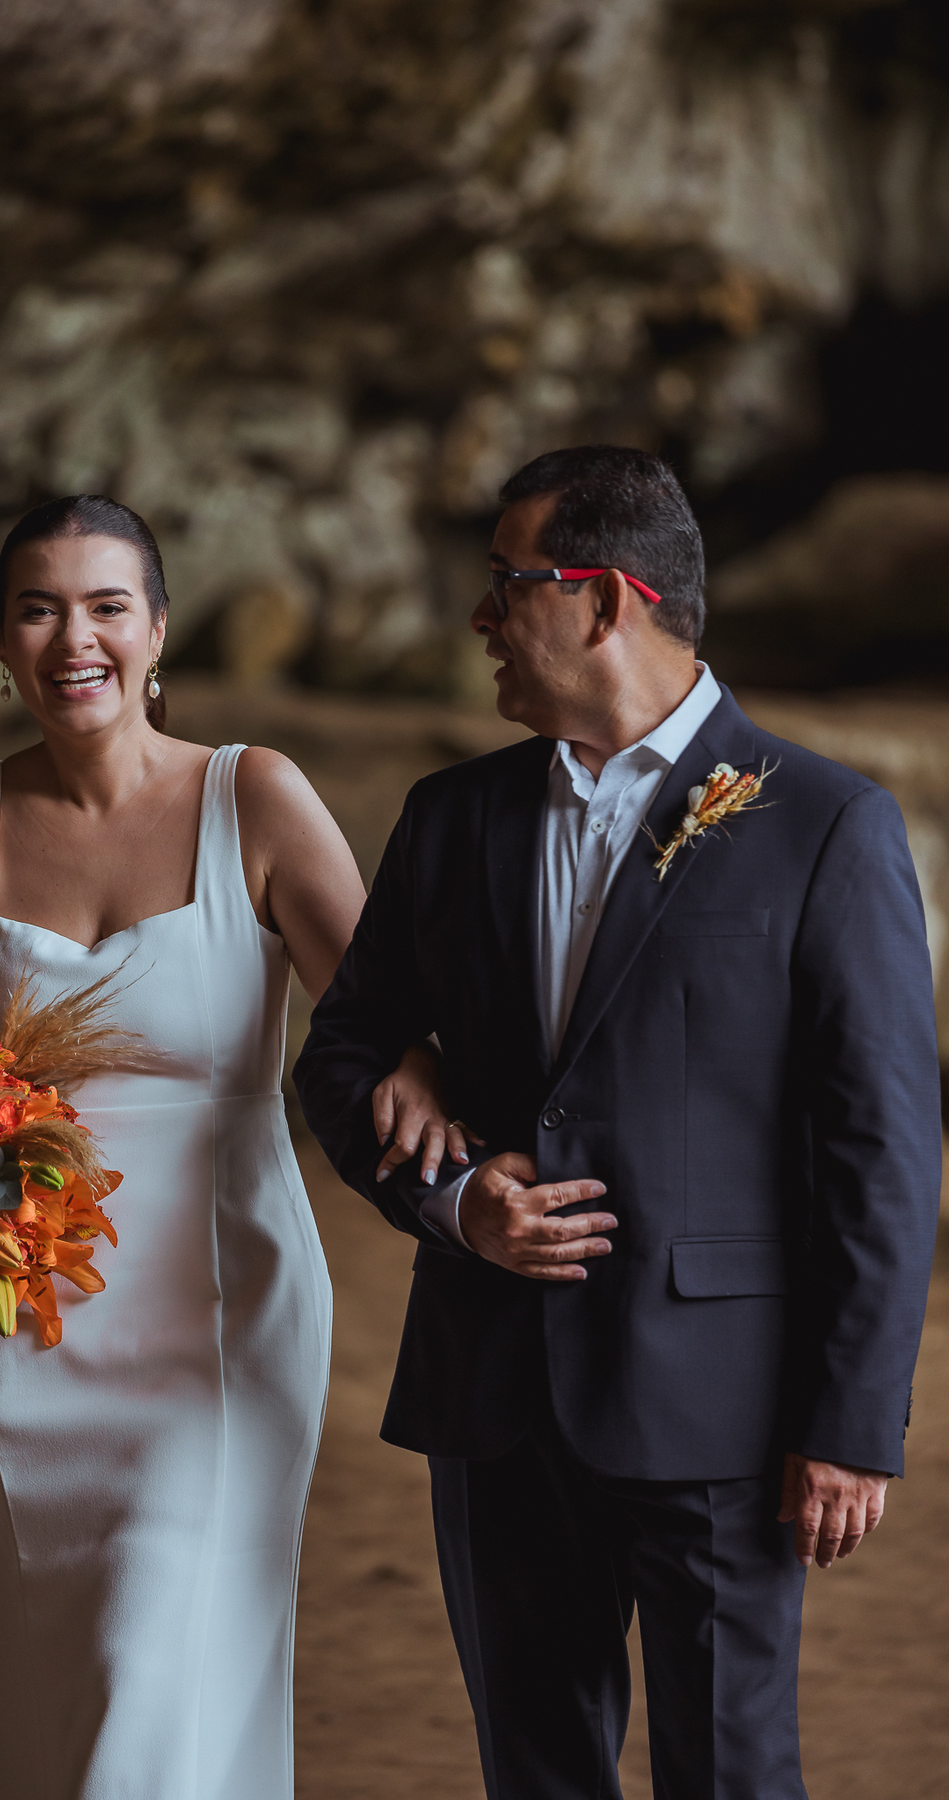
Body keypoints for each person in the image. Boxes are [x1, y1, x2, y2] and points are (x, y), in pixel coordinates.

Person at [294, 445, 942, 1800]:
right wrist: (454, 1202)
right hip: (494, 1389)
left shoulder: (828, 824)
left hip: (725, 1408)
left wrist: (851, 1420)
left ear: (602, 600)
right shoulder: (452, 817)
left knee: (732, 1774)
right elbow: (342, 1055)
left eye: (506, 582)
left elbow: (882, 1151)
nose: (481, 615)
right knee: (535, 1773)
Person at [0, 494, 437, 1800]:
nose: (76, 639)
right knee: (38, 1692)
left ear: (159, 631)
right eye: (39, 609)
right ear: (0, 640)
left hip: (215, 1319)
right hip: (17, 1324)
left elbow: (385, 1031)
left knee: (150, 1664)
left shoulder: (255, 797)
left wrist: (464, 1142)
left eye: (107, 606)